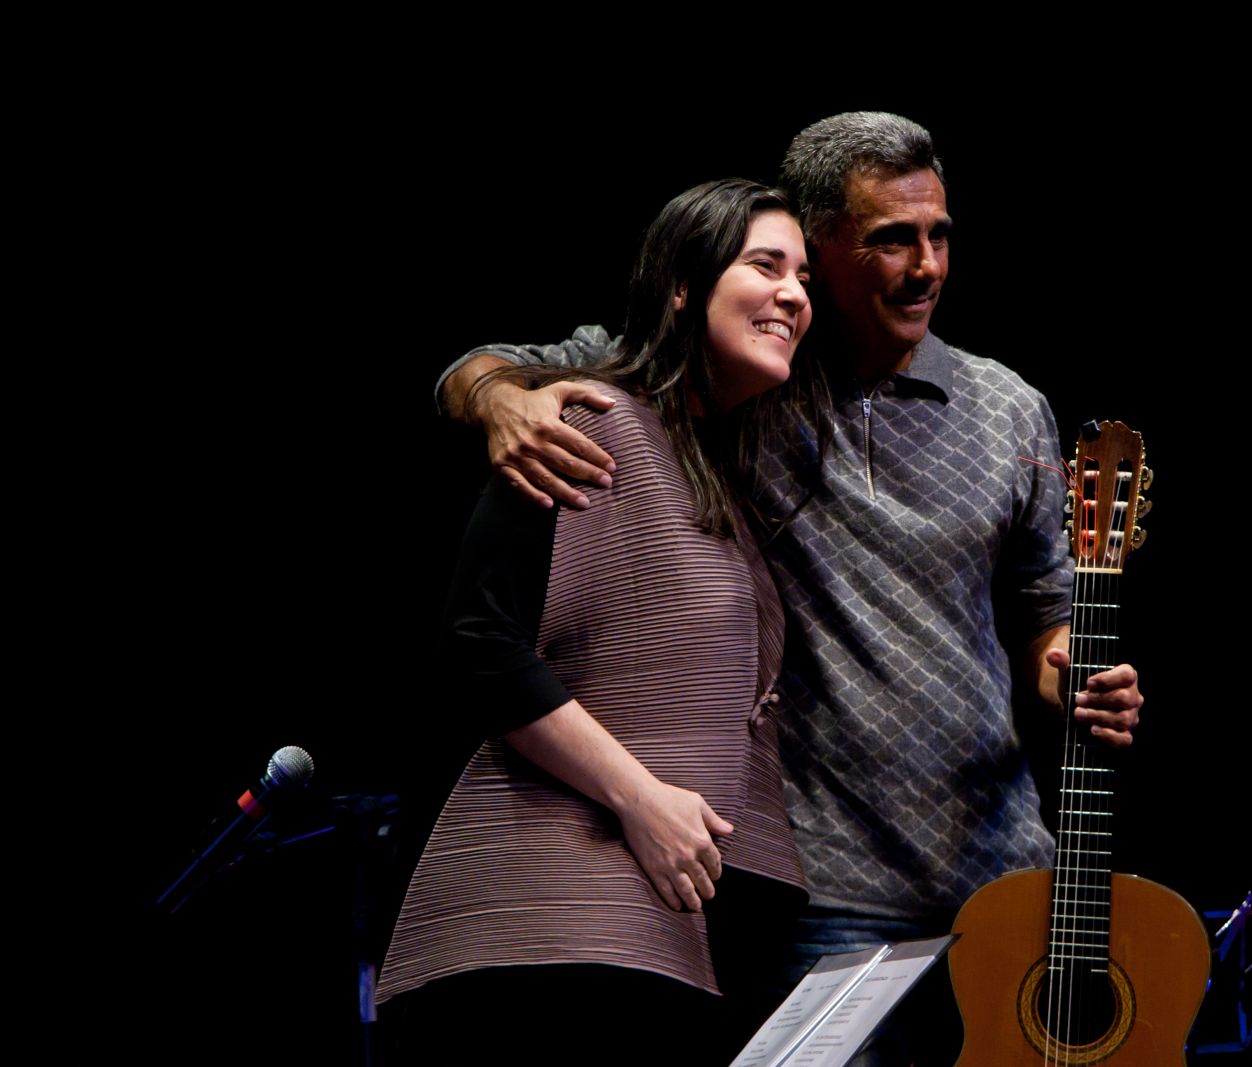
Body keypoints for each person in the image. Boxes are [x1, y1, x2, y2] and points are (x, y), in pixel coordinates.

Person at [436, 114, 1144, 1067]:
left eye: (940, 235)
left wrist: (1072, 672)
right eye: (892, 239)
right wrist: (494, 396)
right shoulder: (755, 377)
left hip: (1003, 869)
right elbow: (530, 366)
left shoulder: (1009, 406)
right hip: (827, 882)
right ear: (825, 245)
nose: (926, 266)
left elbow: (1037, 607)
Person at [377, 179, 815, 1063]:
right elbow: (479, 643)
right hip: (547, 932)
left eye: (803, 275)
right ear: (684, 286)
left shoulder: (715, 481)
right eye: (765, 265)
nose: (794, 294)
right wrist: (639, 795)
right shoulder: (590, 421)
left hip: (653, 943)